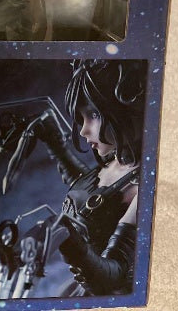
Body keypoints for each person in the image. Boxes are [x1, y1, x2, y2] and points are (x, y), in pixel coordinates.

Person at [57, 59, 146, 296]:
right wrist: (53, 139)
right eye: (82, 117)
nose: (83, 129)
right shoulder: (114, 162)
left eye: (94, 114)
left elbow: (111, 275)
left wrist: (71, 245)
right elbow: (90, 195)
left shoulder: (145, 189)